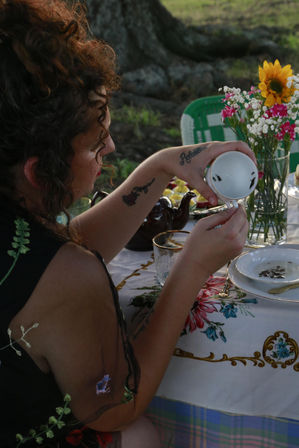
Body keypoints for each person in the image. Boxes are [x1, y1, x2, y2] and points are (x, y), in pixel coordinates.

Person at [0, 0, 256, 447]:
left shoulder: (23, 230)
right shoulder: (68, 277)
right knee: (140, 434)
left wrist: (159, 168)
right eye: (98, 145)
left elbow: (52, 260)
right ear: (40, 172)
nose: (113, 147)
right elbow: (114, 404)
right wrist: (190, 273)